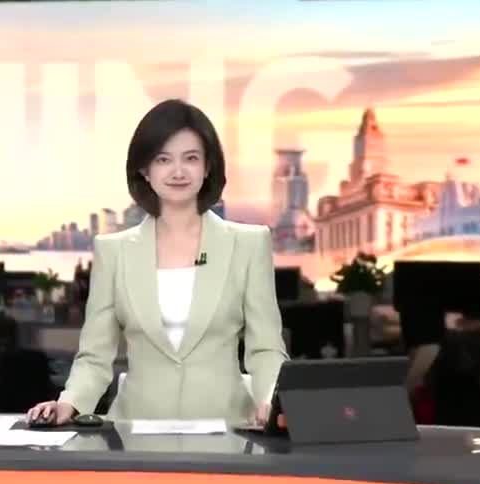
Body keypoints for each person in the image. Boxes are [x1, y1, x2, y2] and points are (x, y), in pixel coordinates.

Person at [29, 99, 287, 425]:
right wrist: (69, 403)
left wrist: (271, 400)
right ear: (144, 170)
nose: (178, 171)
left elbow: (265, 348)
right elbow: (95, 357)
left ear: (208, 167)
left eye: (191, 158)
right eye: (163, 159)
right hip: (136, 434)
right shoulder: (114, 251)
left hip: (228, 430)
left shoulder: (248, 244)